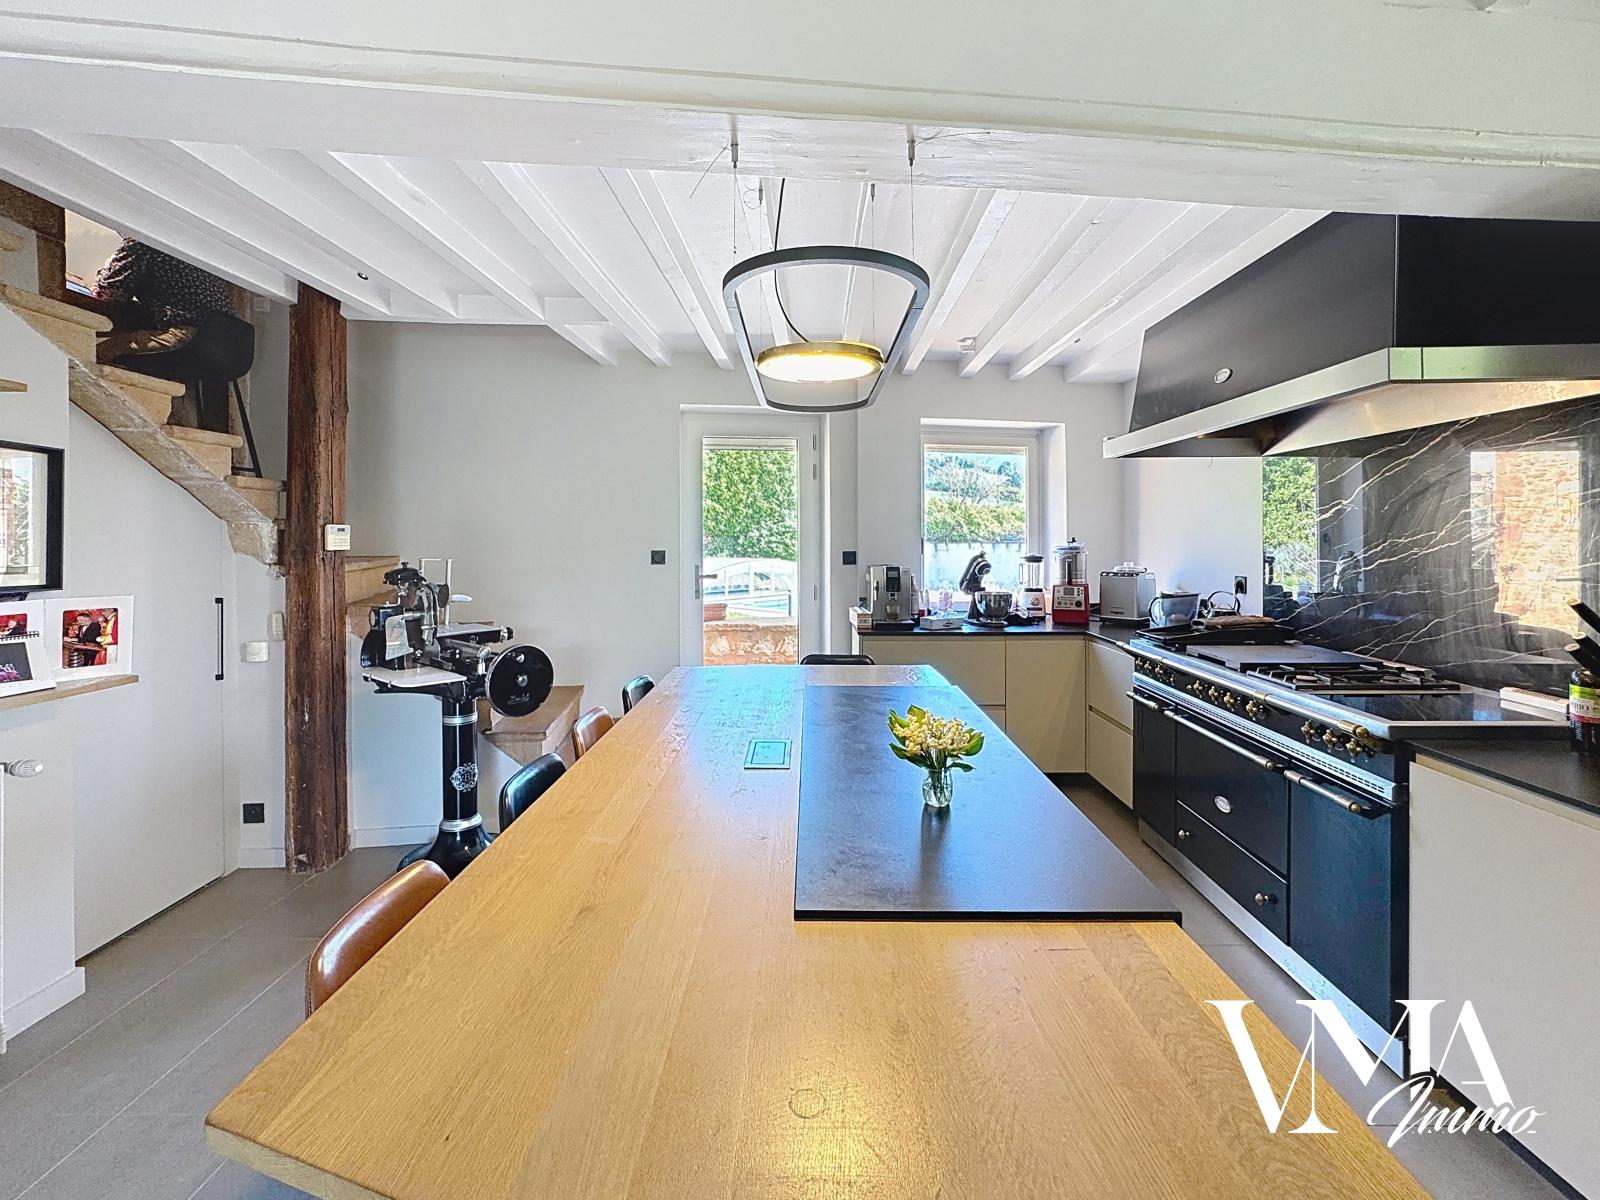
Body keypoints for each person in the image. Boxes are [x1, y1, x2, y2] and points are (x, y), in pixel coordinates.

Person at [93, 239, 237, 428]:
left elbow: (109, 293)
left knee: (95, 351)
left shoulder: (141, 241)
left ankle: (102, 423)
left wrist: (101, 279)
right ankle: (175, 421)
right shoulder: (195, 246)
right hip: (232, 347)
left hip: (189, 337)